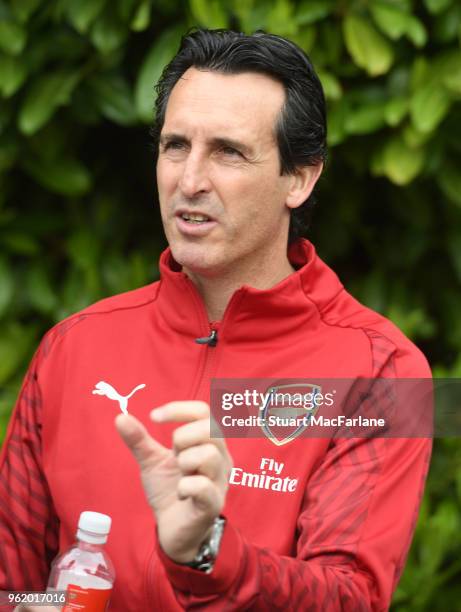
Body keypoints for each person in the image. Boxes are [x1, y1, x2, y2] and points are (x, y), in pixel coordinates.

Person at [0, 29, 432, 611]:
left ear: (300, 178)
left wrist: (208, 552)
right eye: (176, 145)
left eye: (228, 151)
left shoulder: (389, 372)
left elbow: (348, 600)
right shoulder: (72, 346)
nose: (190, 180)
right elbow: (12, 586)